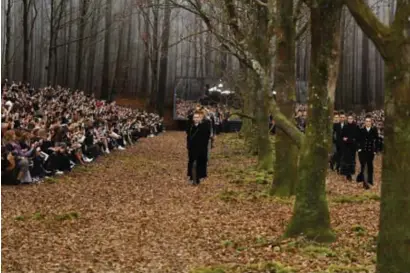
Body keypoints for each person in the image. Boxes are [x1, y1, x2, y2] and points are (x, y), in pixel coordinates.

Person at [186, 110, 211, 185]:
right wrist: (188, 145)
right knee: (192, 162)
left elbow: (207, 135)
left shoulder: (205, 125)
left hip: (201, 148)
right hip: (192, 148)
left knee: (200, 162)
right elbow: (188, 136)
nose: (196, 118)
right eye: (195, 117)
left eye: (198, 117)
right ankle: (192, 177)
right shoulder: (191, 126)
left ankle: (198, 177)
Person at [356, 115, 379, 189]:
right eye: (366, 121)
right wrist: (359, 148)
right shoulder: (361, 130)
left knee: (369, 166)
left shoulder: (374, 130)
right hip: (362, 151)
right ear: (364, 122)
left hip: (370, 151)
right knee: (363, 166)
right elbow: (357, 140)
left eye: (369, 121)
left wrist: (375, 150)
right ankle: (365, 183)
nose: (368, 122)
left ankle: (368, 181)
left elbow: (377, 140)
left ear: (371, 122)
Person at [340, 112, 358, 181]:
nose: (350, 120)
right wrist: (347, 139)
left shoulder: (355, 126)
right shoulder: (345, 126)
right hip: (346, 147)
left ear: (353, 119)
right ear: (347, 119)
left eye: (351, 118)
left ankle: (351, 174)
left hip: (352, 147)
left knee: (352, 161)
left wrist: (348, 139)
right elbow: (342, 136)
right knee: (346, 160)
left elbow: (355, 137)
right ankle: (347, 174)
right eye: (349, 119)